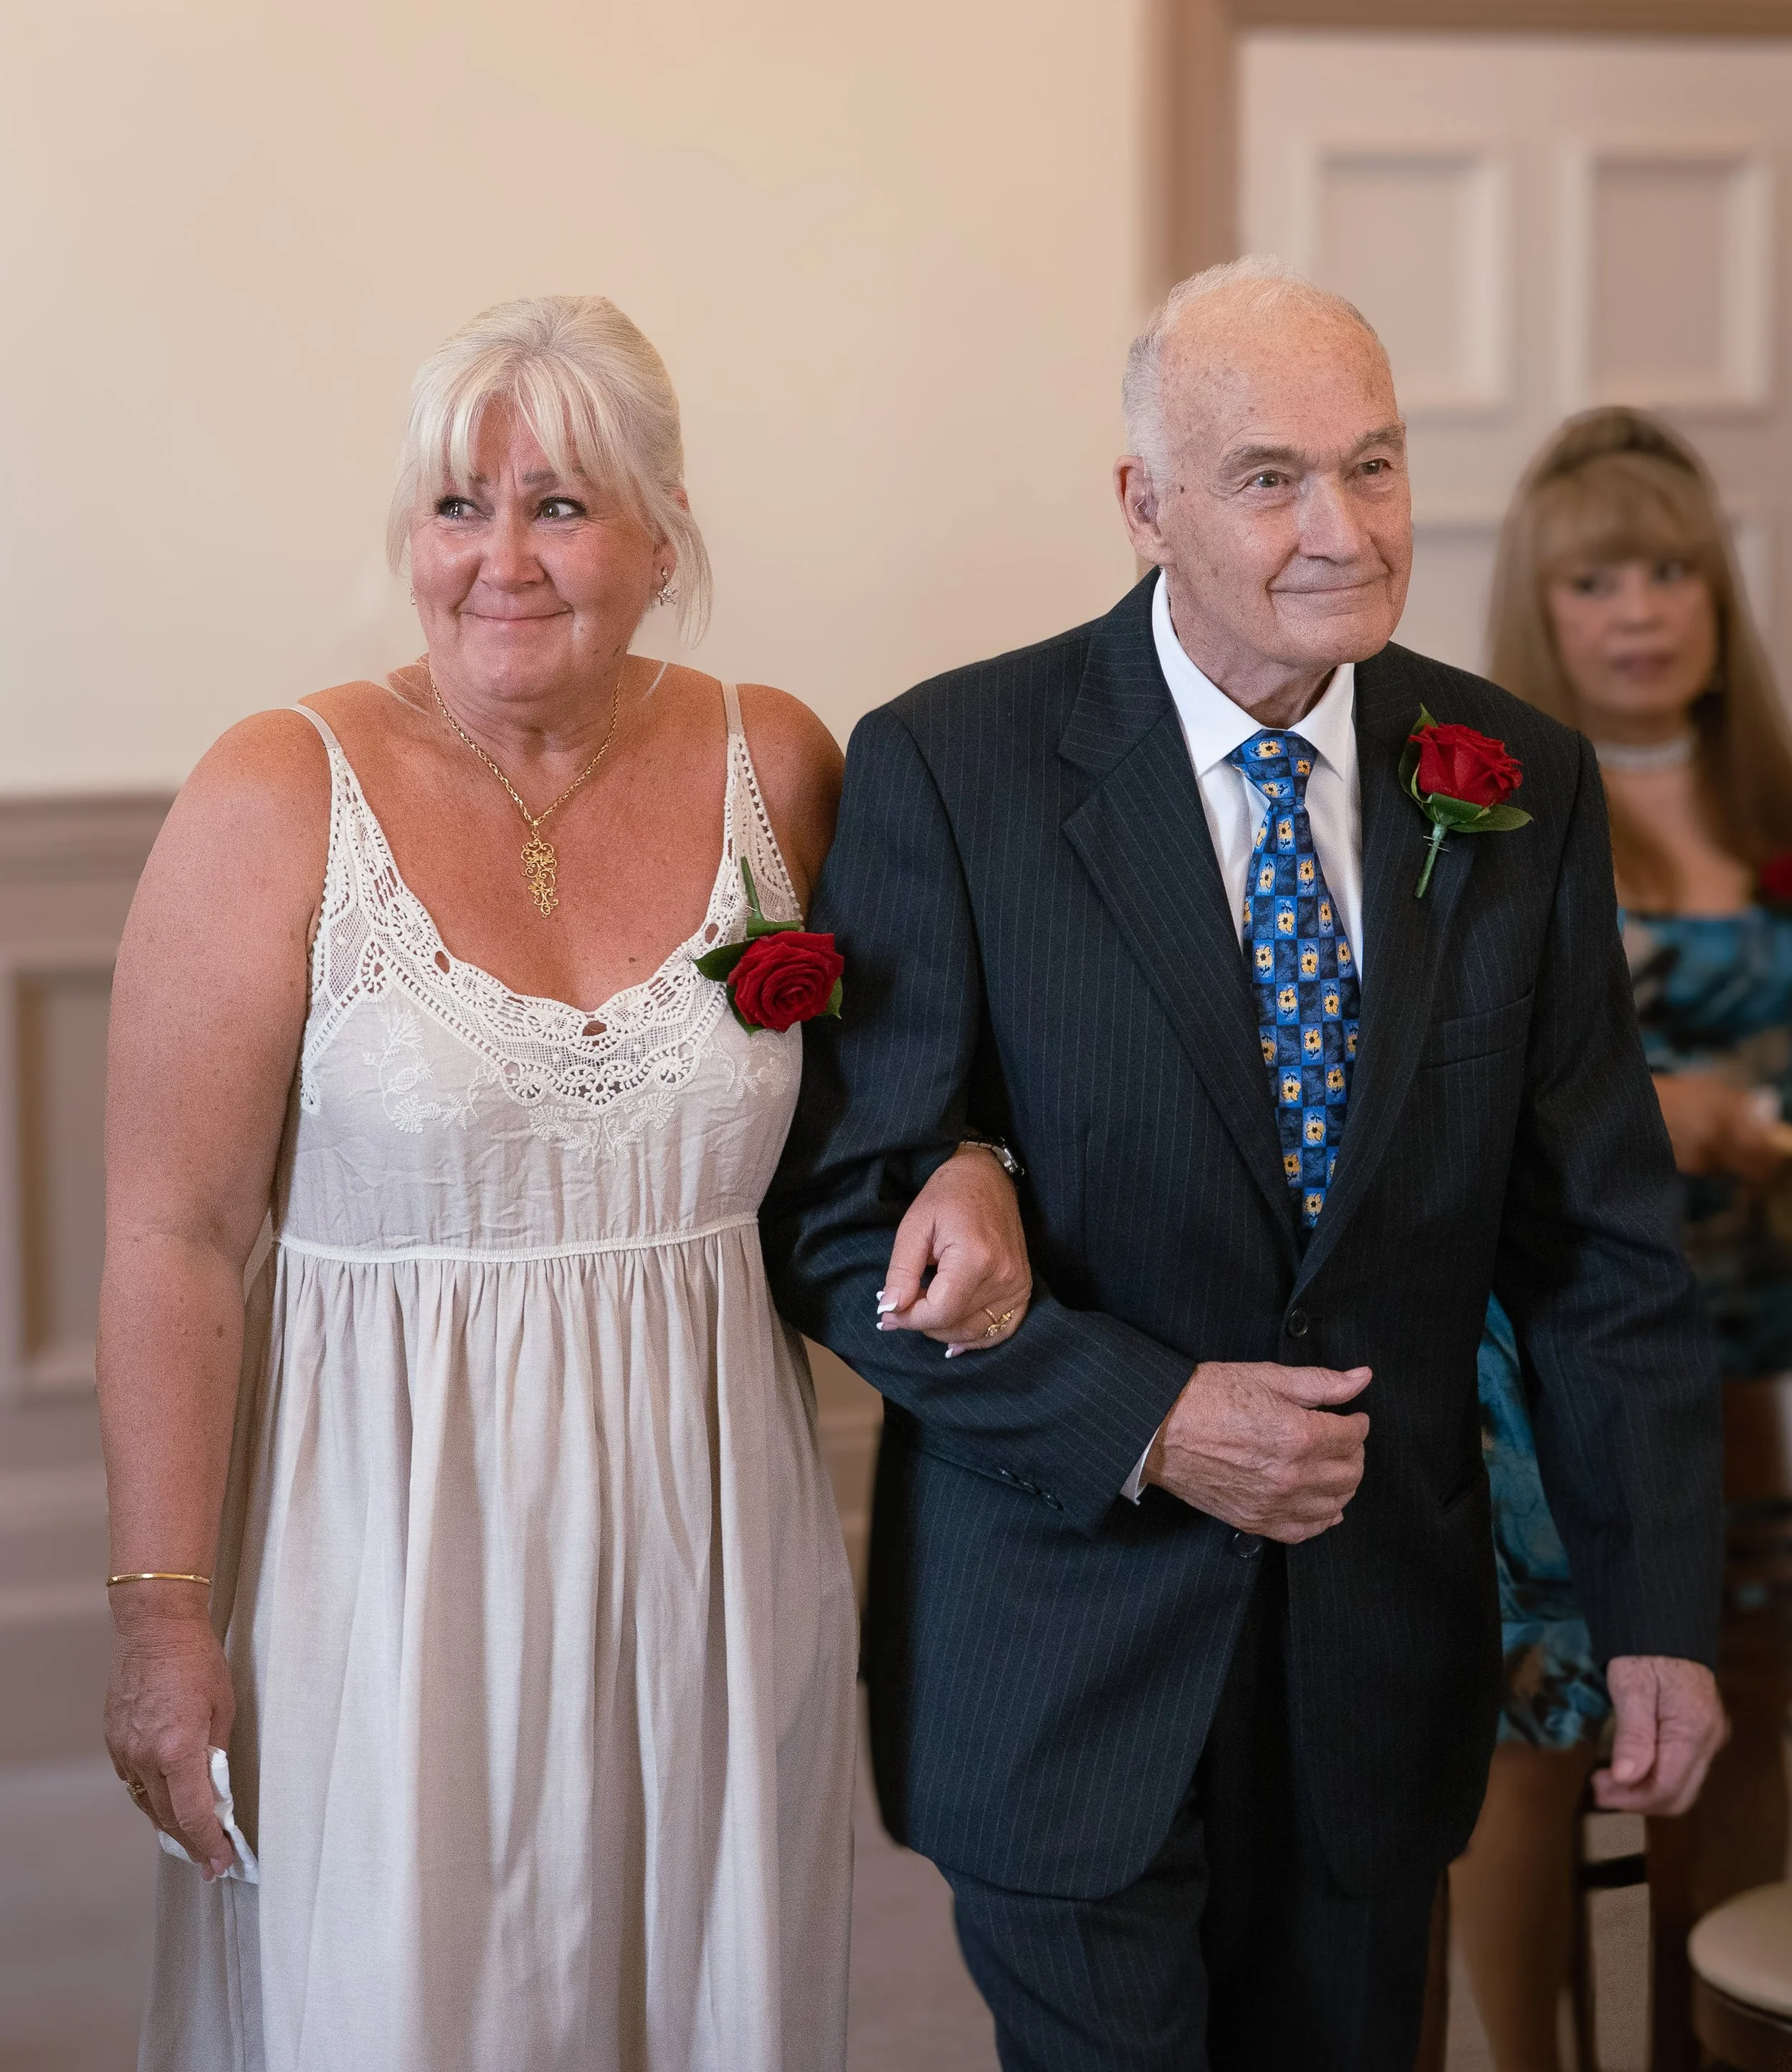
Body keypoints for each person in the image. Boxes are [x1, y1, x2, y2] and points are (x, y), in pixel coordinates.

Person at [759, 259, 1728, 2071]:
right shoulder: (953, 764)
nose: (1341, 530)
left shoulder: (1513, 780)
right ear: (1145, 505)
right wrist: (1149, 1416)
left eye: (1372, 466)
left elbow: (1598, 1248)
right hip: (1060, 1645)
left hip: (1377, 1659)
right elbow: (834, 1223)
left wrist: (1655, 1612)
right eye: (1270, 477)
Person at [97, 293, 1031, 2072]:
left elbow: (907, 1105)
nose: (501, 558)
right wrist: (159, 1614)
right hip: (382, 1550)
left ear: (662, 533)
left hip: (708, 1537)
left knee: (697, 1994)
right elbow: (174, 1232)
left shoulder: (778, 763)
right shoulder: (275, 790)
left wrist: (973, 1160)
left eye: (560, 504)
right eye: (458, 505)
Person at [1449, 407, 1792, 2071]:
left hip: (1757, 1333)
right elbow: (1461, 1089)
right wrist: (1667, 1110)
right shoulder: (1489, 814)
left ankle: (1708, 2033)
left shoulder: (1772, 799)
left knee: (1744, 1698)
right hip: (1554, 1344)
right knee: (1534, 1726)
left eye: (1669, 571)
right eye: (1593, 581)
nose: (1640, 611)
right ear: (1539, 607)